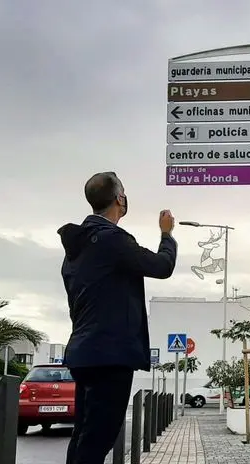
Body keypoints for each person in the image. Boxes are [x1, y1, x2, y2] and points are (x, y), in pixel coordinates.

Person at [58, 171, 177, 464]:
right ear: (120, 199)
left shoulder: (77, 247)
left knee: (84, 437)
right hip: (109, 355)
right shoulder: (113, 241)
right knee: (98, 439)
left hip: (84, 352)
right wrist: (166, 234)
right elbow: (162, 266)